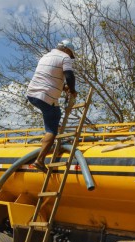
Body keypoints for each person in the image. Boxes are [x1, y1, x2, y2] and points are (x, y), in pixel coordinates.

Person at [26, 39, 78, 172]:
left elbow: (48, 77)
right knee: (52, 127)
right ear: (67, 50)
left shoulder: (46, 56)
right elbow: (69, 76)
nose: (70, 58)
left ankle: (55, 131)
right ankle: (40, 160)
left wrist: (64, 87)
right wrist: (72, 90)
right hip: (45, 96)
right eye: (71, 54)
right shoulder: (65, 57)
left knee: (54, 115)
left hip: (32, 94)